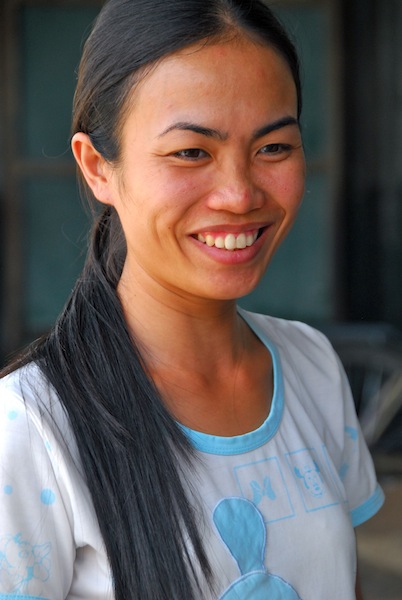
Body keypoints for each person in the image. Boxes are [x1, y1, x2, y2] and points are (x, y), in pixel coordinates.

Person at [0, 0, 384, 598]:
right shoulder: (32, 424)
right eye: (190, 152)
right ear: (98, 167)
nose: (238, 194)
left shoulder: (311, 364)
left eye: (274, 147)